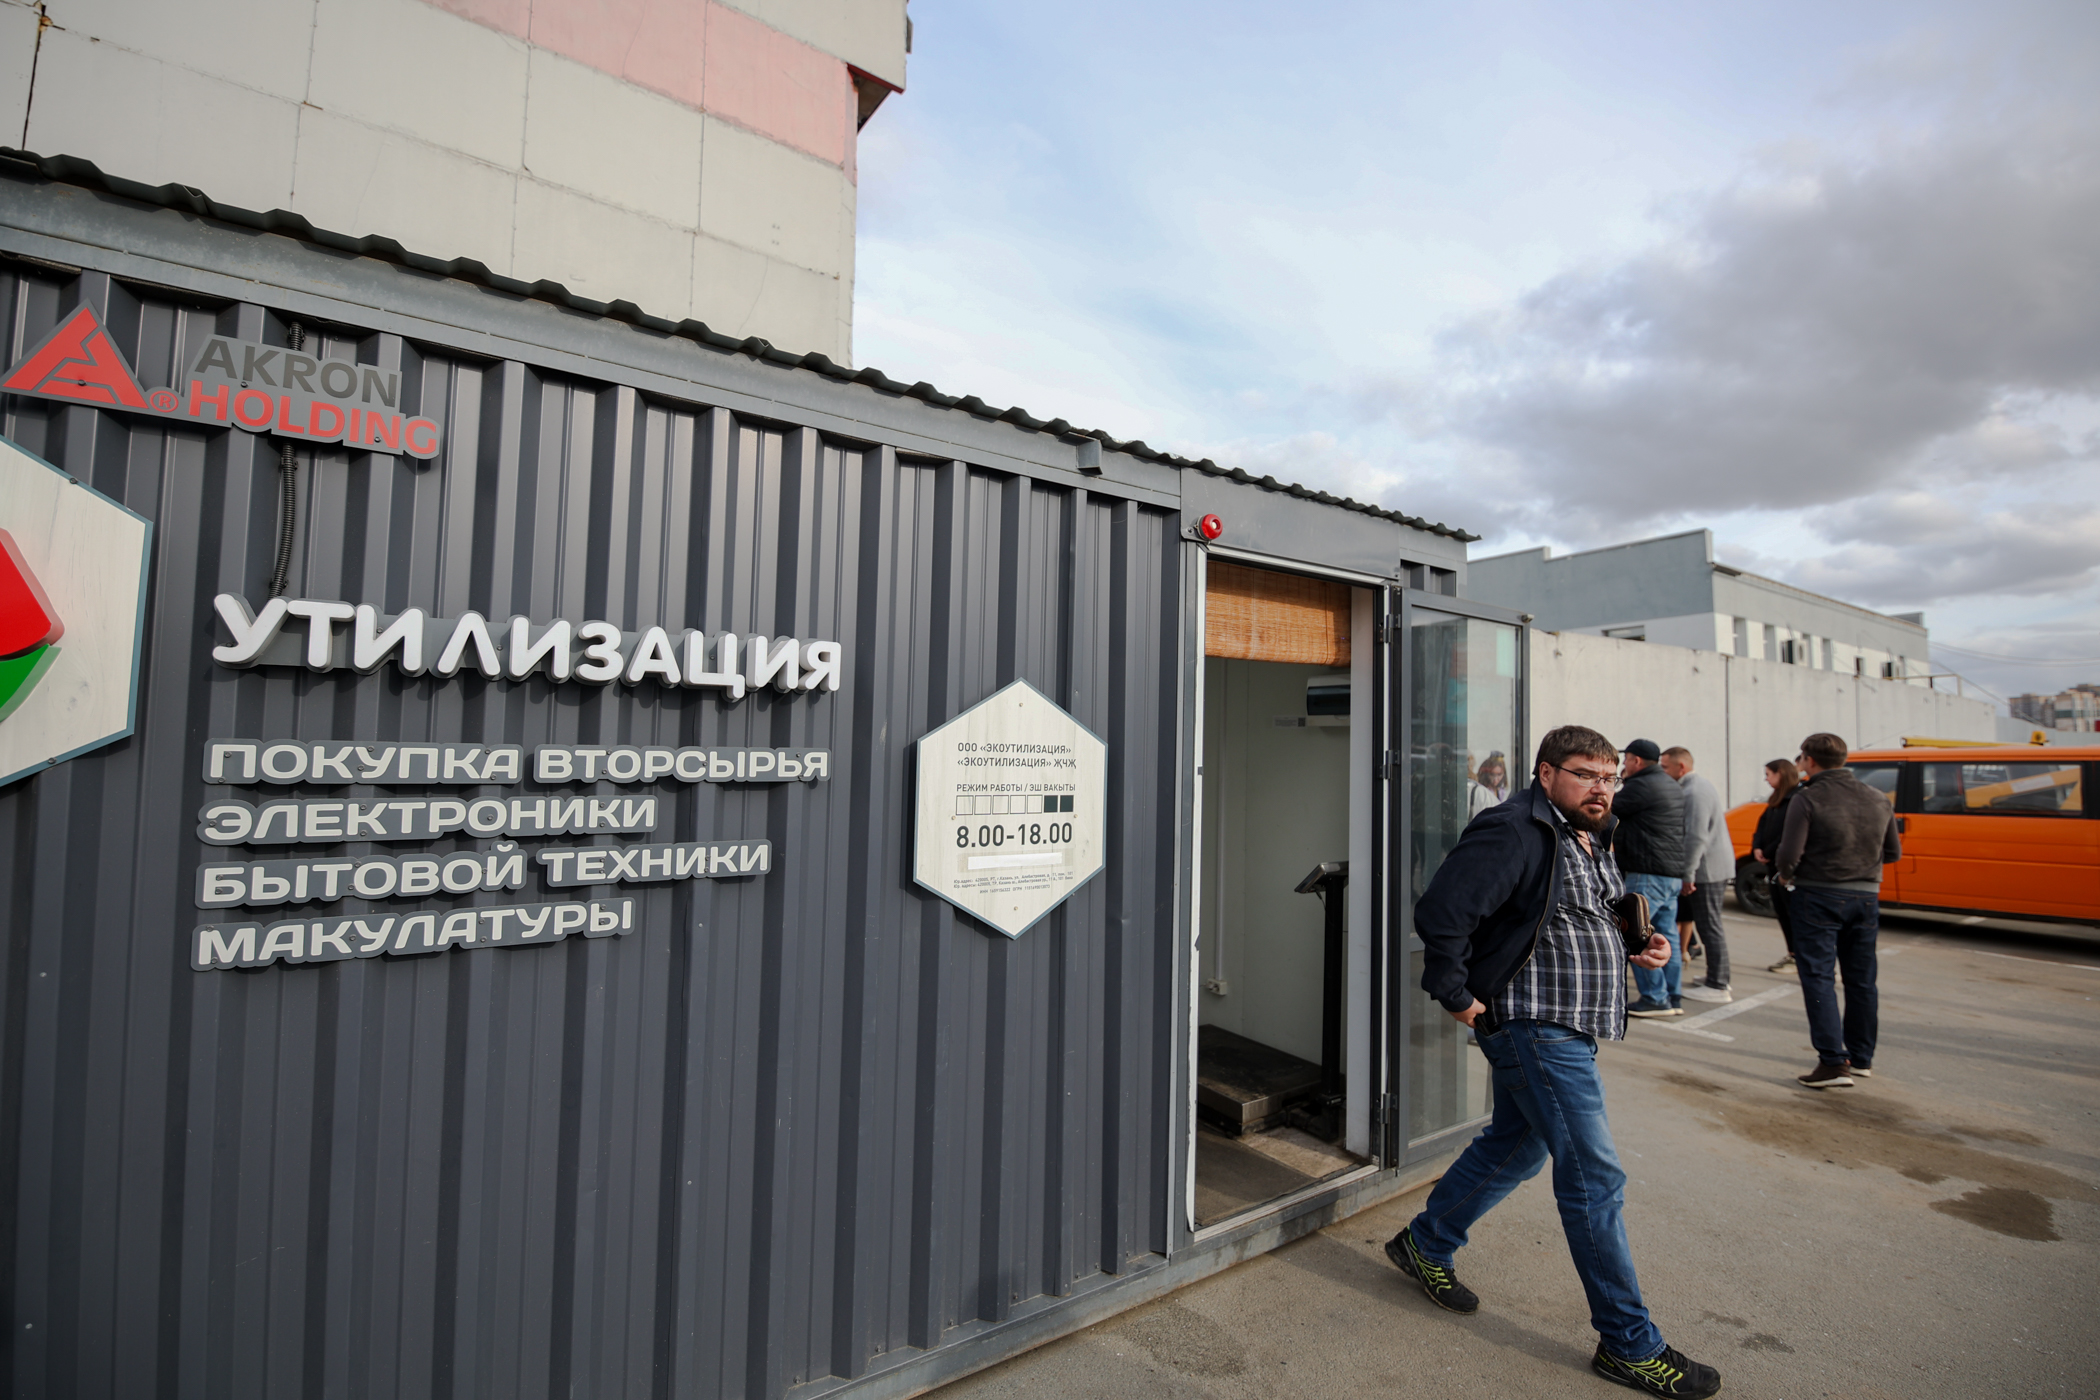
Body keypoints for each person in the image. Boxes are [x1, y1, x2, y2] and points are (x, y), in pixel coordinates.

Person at [1390, 725, 1721, 1399]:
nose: (1602, 789)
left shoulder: (1588, 830)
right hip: (1535, 1026)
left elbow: (1583, 910)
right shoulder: (1512, 829)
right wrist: (1455, 996)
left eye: (1609, 777)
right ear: (1545, 774)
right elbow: (1442, 913)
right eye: (1585, 775)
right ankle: (1629, 1344)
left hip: (1570, 1023)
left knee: (1518, 1147)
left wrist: (1641, 942)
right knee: (1594, 1177)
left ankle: (1425, 1242)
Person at [1774, 732, 1901, 1089]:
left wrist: (1786, 874)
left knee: (1818, 976)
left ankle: (1832, 1061)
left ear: (1810, 761)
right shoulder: (1878, 797)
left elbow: (1789, 854)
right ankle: (1860, 1057)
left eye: (1801, 758)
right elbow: (1893, 852)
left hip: (1818, 894)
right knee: (1862, 980)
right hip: (1866, 897)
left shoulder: (1808, 797)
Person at [1611, 739, 1688, 1018]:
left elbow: (1607, 808)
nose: (1623, 765)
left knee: (1637, 934)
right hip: (1669, 874)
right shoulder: (1670, 784)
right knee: (1666, 937)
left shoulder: (1642, 785)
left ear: (1637, 761)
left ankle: (1655, 998)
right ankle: (1672, 995)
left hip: (1647, 872)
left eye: (1626, 759)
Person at [1661, 746, 1732, 1002]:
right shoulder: (1697, 786)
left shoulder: (1694, 792)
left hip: (1707, 869)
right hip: (1710, 866)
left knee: (1709, 926)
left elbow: (1696, 837)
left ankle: (1718, 984)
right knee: (1708, 924)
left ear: (1681, 767)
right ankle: (1717, 977)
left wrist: (1687, 874)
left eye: (1665, 767)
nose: (1662, 772)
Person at [1752, 759, 1801, 971]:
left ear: (1781, 773)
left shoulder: (1797, 799)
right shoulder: (1775, 799)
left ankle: (1800, 956)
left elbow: (1788, 834)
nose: (1766, 779)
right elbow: (1762, 825)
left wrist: (1768, 851)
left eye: (1769, 774)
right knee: (1782, 911)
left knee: (1794, 913)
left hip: (1787, 867)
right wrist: (1757, 846)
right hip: (1773, 864)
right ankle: (1793, 954)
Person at [1468, 751, 1509, 821]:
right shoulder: (1480, 790)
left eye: (1499, 774)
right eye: (1492, 774)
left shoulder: (1502, 792)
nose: (1496, 779)